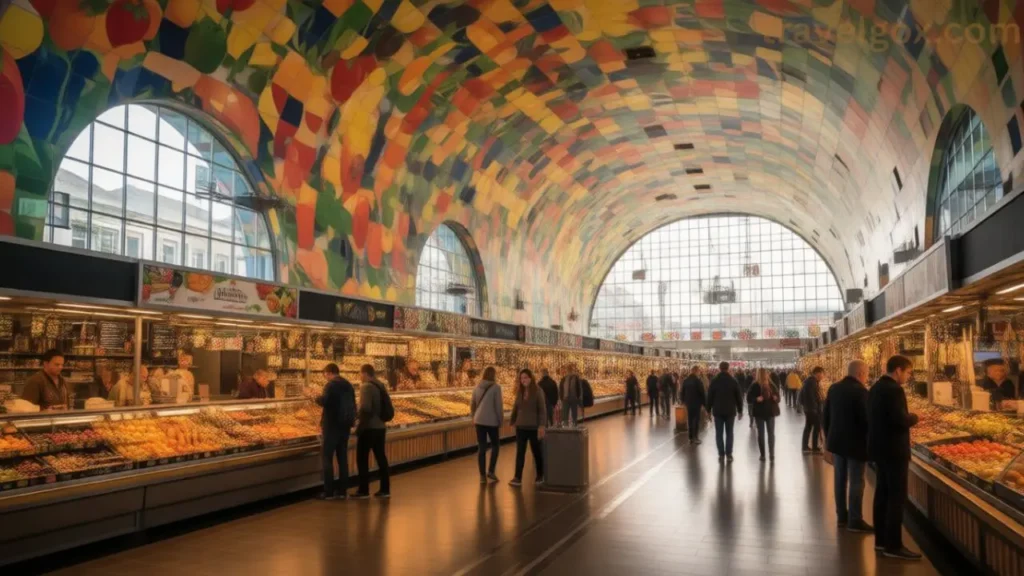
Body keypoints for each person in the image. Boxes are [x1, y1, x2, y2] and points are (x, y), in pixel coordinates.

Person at [868, 355, 921, 560]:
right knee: (896, 498)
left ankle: (881, 541)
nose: (908, 376)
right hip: (894, 451)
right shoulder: (894, 390)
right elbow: (899, 420)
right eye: (908, 372)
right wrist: (915, 417)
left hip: (879, 450)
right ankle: (894, 545)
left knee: (882, 495)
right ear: (898, 370)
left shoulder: (875, 387)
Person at [824, 360, 872, 532]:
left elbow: (826, 416)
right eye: (866, 374)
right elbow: (867, 420)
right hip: (856, 444)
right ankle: (855, 520)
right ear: (860, 373)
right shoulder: (861, 392)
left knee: (839, 480)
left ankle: (841, 517)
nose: (866, 377)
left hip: (837, 443)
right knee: (857, 482)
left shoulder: (834, 388)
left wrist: (826, 443)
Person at [316, 363, 356, 500]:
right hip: (345, 427)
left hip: (331, 426)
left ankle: (328, 492)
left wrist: (313, 396)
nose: (325, 377)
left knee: (327, 457)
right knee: (342, 458)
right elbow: (353, 405)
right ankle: (342, 490)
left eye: (325, 374)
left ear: (329, 372)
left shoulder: (331, 385)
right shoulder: (348, 384)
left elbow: (325, 401)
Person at [353, 364, 390, 499]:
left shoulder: (366, 386)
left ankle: (363, 490)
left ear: (365, 373)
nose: (360, 377)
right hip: (381, 427)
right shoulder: (380, 384)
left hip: (369, 428)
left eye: (360, 374)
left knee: (362, 459)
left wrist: (357, 421)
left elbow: (366, 408)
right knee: (381, 457)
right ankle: (385, 489)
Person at [510, 369, 546, 487]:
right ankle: (517, 477)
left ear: (531, 378)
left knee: (536, 452)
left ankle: (540, 475)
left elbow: (542, 409)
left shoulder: (537, 391)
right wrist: (513, 420)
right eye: (521, 378)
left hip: (533, 427)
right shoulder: (520, 391)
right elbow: (516, 407)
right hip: (521, 427)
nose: (523, 380)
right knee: (520, 452)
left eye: (525, 378)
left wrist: (541, 425)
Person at [471, 366, 504, 483]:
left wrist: (473, 417)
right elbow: (498, 407)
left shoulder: (477, 387)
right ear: (493, 375)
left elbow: (473, 404)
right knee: (495, 446)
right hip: (492, 421)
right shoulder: (496, 388)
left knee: (482, 447)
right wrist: (501, 420)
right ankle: (491, 471)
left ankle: (482, 476)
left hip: (479, 421)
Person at [707, 361, 744, 463]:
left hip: (718, 411)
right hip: (730, 411)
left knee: (719, 433)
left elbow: (709, 396)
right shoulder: (733, 381)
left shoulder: (714, 381)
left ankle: (721, 454)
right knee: (729, 433)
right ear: (728, 368)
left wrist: (708, 410)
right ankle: (729, 454)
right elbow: (738, 397)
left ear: (719, 368)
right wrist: (740, 410)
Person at [747, 368, 780, 462]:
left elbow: (749, 398)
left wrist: (775, 398)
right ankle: (769, 454)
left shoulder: (757, 385)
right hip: (764, 413)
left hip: (764, 413)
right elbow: (749, 398)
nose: (765, 375)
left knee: (765, 434)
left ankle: (765, 455)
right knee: (768, 434)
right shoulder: (758, 385)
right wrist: (756, 399)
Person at [799, 366, 825, 453]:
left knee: (809, 426)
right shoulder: (812, 382)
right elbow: (810, 396)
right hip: (812, 409)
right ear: (817, 373)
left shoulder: (810, 381)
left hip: (809, 408)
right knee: (816, 426)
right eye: (822, 374)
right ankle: (814, 446)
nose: (822, 376)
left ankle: (805, 446)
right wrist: (815, 408)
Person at [681, 366, 707, 445]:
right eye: (698, 371)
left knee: (690, 419)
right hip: (696, 403)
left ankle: (690, 437)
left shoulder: (686, 380)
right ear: (696, 371)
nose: (699, 372)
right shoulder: (698, 381)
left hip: (688, 403)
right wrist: (704, 404)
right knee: (696, 420)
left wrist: (683, 401)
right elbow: (702, 393)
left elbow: (682, 392)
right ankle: (695, 437)